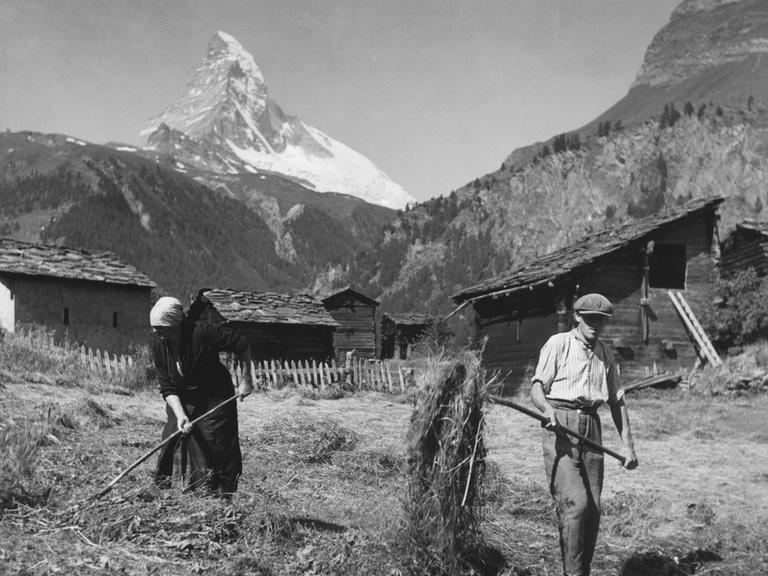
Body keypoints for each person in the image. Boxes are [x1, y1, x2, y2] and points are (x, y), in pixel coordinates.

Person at [529, 293, 638, 576]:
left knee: (593, 510)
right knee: (575, 503)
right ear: (578, 317)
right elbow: (537, 387)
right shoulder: (559, 343)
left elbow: (617, 400)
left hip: (592, 427)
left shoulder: (605, 353)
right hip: (560, 426)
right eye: (589, 318)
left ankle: (581, 570)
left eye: (600, 320)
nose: (595, 324)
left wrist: (629, 447)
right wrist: (546, 410)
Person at [149, 296, 254, 496]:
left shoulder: (203, 333)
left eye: (160, 327)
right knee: (172, 437)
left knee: (214, 443)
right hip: (183, 396)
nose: (155, 332)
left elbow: (242, 344)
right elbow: (167, 386)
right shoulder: (158, 340)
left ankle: (216, 495)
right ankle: (169, 492)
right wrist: (180, 415)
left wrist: (246, 380)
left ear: (176, 325)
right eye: (154, 327)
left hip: (215, 395)